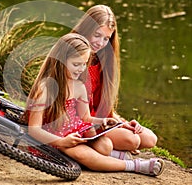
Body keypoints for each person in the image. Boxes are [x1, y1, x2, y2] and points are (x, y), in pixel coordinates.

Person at [24, 33, 165, 176]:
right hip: (53, 136)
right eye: (76, 64)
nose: (81, 69)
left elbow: (85, 117)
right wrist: (62, 142)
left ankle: (109, 156)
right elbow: (34, 130)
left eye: (84, 64)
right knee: (83, 155)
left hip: (74, 131)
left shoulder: (79, 86)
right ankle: (135, 165)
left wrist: (102, 121)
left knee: (106, 146)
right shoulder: (45, 89)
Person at [71, 4, 158, 153]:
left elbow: (101, 106)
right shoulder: (73, 57)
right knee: (132, 140)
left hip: (99, 120)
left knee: (150, 139)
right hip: (81, 121)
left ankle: (113, 146)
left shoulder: (102, 61)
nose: (100, 43)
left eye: (106, 38)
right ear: (86, 29)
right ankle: (113, 151)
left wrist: (119, 122)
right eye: (96, 35)